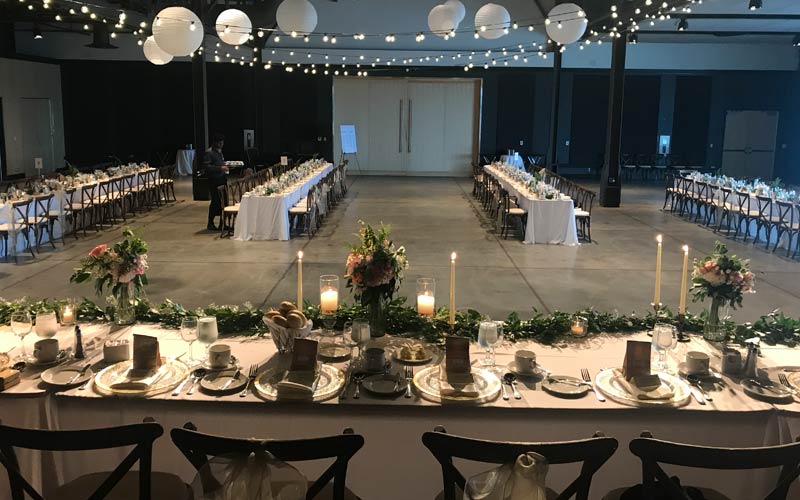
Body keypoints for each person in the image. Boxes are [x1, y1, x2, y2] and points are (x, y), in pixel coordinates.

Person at [204, 133, 229, 231]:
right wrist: (220, 168)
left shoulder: (219, 151)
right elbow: (206, 167)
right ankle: (210, 223)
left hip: (222, 179)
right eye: (219, 143)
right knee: (215, 202)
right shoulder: (209, 152)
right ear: (214, 143)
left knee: (224, 202)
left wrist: (225, 166)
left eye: (222, 143)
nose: (221, 145)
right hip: (214, 180)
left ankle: (223, 224)